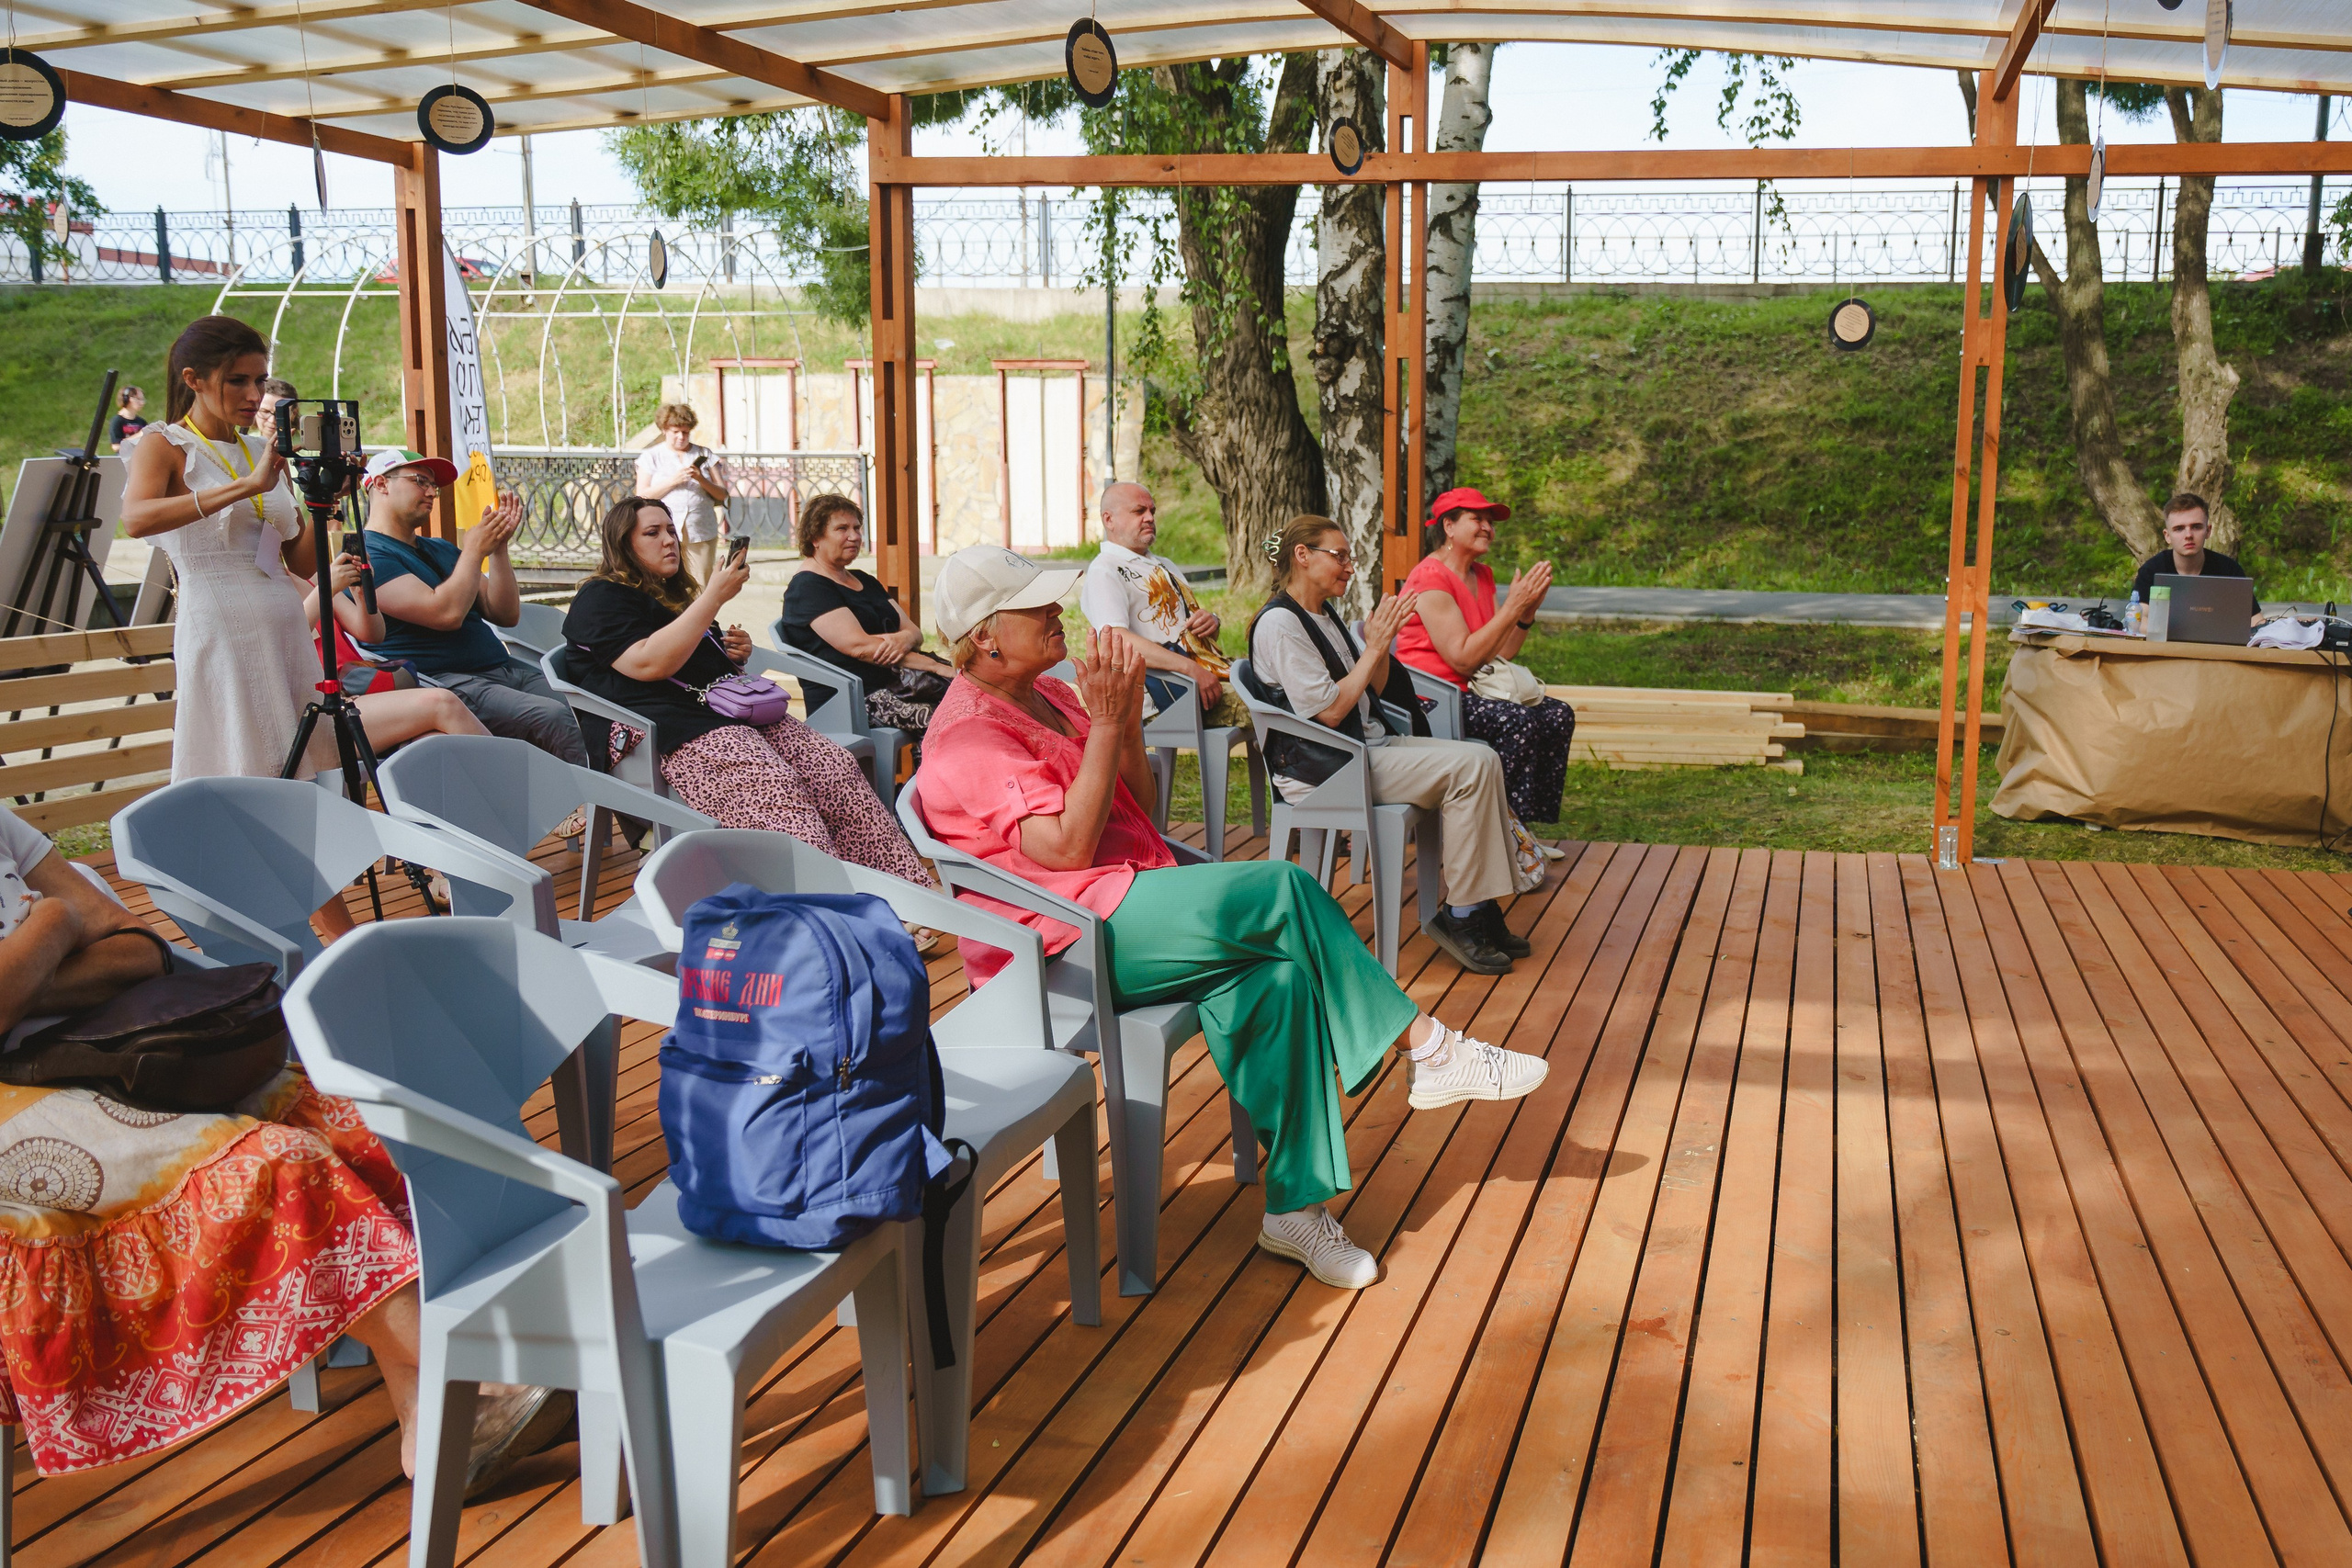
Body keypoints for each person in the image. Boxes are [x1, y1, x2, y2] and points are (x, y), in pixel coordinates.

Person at [917, 544, 1547, 1290]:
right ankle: (1431, 1048)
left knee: (1277, 979)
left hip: (1129, 900)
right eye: (1038, 606)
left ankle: (1295, 1208)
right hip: (1063, 942)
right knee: (1282, 888)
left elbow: (1140, 809)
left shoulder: (1049, 696)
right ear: (986, 635)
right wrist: (1112, 725)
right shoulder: (968, 739)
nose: (1060, 612)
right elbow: (1066, 848)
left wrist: (1118, 725)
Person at [563, 496, 933, 886]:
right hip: (665, 731)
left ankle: (904, 893)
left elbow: (689, 659)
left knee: (834, 768)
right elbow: (647, 663)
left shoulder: (669, 597)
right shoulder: (600, 597)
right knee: (774, 786)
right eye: (652, 533)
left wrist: (728, 651)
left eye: (671, 530)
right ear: (623, 544)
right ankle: (840, 907)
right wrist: (713, 598)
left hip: (724, 714)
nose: (669, 540)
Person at [1247, 515, 1532, 977]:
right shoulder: (1281, 623)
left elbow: (1371, 689)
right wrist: (1374, 648)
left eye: (1349, 557)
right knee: (1472, 767)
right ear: (1303, 556)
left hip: (1362, 750)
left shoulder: (1322, 612)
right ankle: (1462, 916)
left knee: (1484, 757)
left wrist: (1381, 644)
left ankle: (1475, 906)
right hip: (1326, 769)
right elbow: (1330, 713)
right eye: (1339, 556)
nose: (1349, 566)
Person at [119, 316, 339, 785]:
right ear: (193, 380)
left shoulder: (261, 448)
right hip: (221, 624)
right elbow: (136, 519)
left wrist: (323, 504)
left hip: (284, 626)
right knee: (243, 765)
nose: (254, 395)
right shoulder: (164, 443)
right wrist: (246, 486)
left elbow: (300, 561)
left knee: (304, 763)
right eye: (237, 381)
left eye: (259, 380)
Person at [357, 447, 591, 768]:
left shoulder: (439, 547)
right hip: (447, 681)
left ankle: (611, 811)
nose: (431, 493)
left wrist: (497, 550)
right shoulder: (369, 554)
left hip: (502, 670)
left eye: (434, 486)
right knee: (551, 717)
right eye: (420, 481)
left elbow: (505, 614)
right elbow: (445, 614)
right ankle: (578, 812)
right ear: (381, 484)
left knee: (590, 706)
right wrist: (474, 551)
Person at [1393, 487, 1578, 828]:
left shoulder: (1483, 575)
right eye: (1477, 519)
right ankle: (1501, 836)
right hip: (1432, 698)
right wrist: (1511, 607)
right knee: (1518, 722)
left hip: (1473, 689)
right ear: (1448, 526)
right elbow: (1462, 660)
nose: (1488, 528)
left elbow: (1502, 651)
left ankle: (1523, 830)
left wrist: (1524, 614)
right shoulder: (1430, 578)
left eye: (1490, 522)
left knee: (1558, 715)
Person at [1079, 481, 1250, 732]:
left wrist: (1211, 621)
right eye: (1139, 512)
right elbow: (1118, 639)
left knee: (1277, 687)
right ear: (1109, 520)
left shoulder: (1165, 564)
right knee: (1270, 705)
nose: (1149, 518)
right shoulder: (1105, 570)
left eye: (1152, 511)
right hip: (1164, 695)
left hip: (1202, 677)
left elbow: (1184, 633)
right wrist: (1191, 670)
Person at [779, 492, 954, 738]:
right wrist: (935, 667)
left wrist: (903, 639)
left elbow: (913, 632)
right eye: (842, 528)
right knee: (951, 718)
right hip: (855, 699)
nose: (854, 536)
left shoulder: (864, 579)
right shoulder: (808, 588)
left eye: (857, 528)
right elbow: (861, 647)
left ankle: (927, 774)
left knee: (971, 702)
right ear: (815, 537)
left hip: (899, 684)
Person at [305, 549, 492, 749]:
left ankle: (509, 776)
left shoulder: (309, 580)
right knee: (444, 703)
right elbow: (285, 643)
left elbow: (373, 634)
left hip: (361, 690)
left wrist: (361, 592)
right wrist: (324, 590)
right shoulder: (286, 590)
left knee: (435, 743)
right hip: (321, 708)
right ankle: (514, 777)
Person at [633, 402, 728, 582]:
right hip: (663, 531)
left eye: (685, 432)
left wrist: (701, 479)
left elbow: (722, 494)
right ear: (664, 430)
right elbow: (642, 495)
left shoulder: (704, 454)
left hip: (700, 530)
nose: (681, 437)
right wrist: (673, 481)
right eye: (675, 432)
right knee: (666, 581)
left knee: (700, 582)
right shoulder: (651, 456)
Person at [2131, 492, 2259, 610]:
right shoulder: (2152, 571)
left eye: (2196, 527)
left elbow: (2254, 619)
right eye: (2179, 529)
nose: (2188, 535)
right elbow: (2141, 618)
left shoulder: (2229, 571)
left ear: (2208, 531)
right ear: (2167, 536)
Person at [106, 384, 146, 451]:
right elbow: (116, 446)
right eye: (138, 399)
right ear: (126, 399)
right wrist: (138, 436)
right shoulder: (117, 421)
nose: (142, 403)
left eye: (142, 400)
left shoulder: (141, 422)